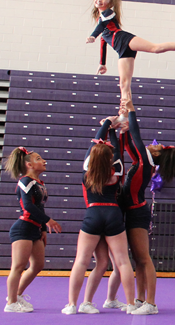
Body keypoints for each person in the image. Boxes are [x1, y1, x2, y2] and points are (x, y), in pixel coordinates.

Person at [86, 0, 175, 115]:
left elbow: (100, 28)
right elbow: (104, 40)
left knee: (156, 48)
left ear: (110, 3)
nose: (99, 0)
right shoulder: (100, 17)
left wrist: (93, 36)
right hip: (120, 50)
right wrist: (102, 63)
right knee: (124, 84)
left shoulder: (109, 13)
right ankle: (125, 115)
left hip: (124, 40)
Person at [112, 100, 175, 315]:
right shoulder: (142, 160)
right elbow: (127, 143)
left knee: (143, 258)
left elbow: (135, 134)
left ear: (156, 154)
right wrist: (121, 123)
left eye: (157, 146)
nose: (153, 144)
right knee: (138, 259)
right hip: (134, 210)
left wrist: (131, 110)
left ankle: (151, 303)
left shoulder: (144, 161)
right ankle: (140, 299)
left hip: (137, 213)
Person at [63, 117, 136, 315]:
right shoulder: (116, 173)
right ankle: (131, 304)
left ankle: (72, 304)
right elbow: (118, 154)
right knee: (122, 262)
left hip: (93, 214)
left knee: (81, 261)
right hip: (113, 213)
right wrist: (112, 131)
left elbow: (93, 148)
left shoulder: (88, 173)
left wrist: (105, 125)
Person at [4, 147, 62, 313]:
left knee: (37, 265)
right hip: (23, 228)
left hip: (35, 228)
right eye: (38, 159)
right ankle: (11, 303)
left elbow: (40, 207)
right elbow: (28, 206)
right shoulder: (25, 181)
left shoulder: (39, 183)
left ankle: (17, 295)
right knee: (18, 266)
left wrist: (43, 228)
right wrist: (48, 221)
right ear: (29, 164)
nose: (43, 161)